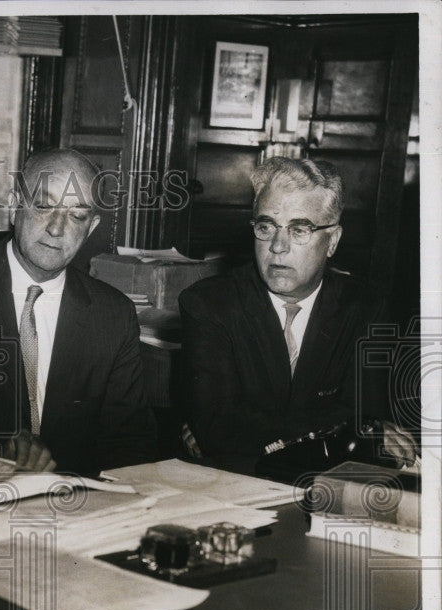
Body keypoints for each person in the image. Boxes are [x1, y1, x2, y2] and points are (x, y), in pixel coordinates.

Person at [0, 148, 158, 477]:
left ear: (92, 227)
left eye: (76, 216)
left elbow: (131, 443)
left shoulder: (112, 314)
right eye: (43, 206)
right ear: (14, 205)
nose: (56, 228)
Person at [179, 156, 418, 474]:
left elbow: (368, 418)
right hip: (237, 481)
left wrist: (244, 427)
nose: (278, 246)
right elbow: (220, 429)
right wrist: (344, 425)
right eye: (266, 227)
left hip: (327, 481)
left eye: (299, 230)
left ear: (332, 240)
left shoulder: (365, 307)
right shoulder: (209, 304)